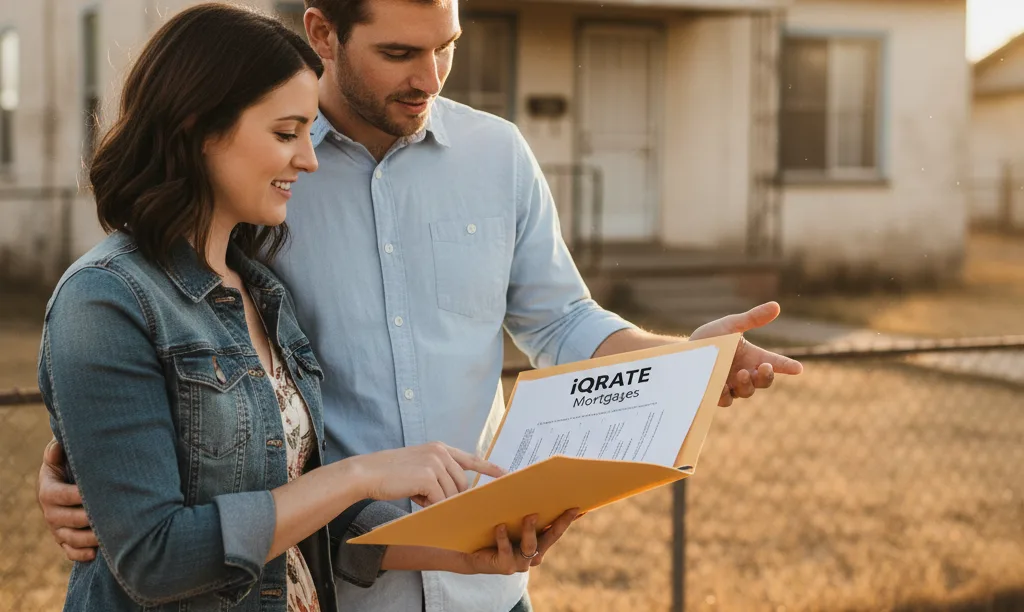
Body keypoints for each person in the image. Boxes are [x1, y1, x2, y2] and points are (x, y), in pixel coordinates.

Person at [38, 1, 804, 611]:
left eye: (447, 46)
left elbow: (562, 319)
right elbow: (165, 356)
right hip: (333, 592)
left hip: (479, 581)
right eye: (400, 53)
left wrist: (683, 364)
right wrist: (93, 483)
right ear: (323, 32)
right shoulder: (262, 193)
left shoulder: (496, 155)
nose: (430, 76)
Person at [36, 4, 577, 612]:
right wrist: (361, 474)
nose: (310, 158)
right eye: (286, 133)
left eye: (307, 130)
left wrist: (460, 551)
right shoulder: (105, 297)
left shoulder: (262, 293)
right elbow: (156, 557)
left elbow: (292, 505)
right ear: (199, 129)